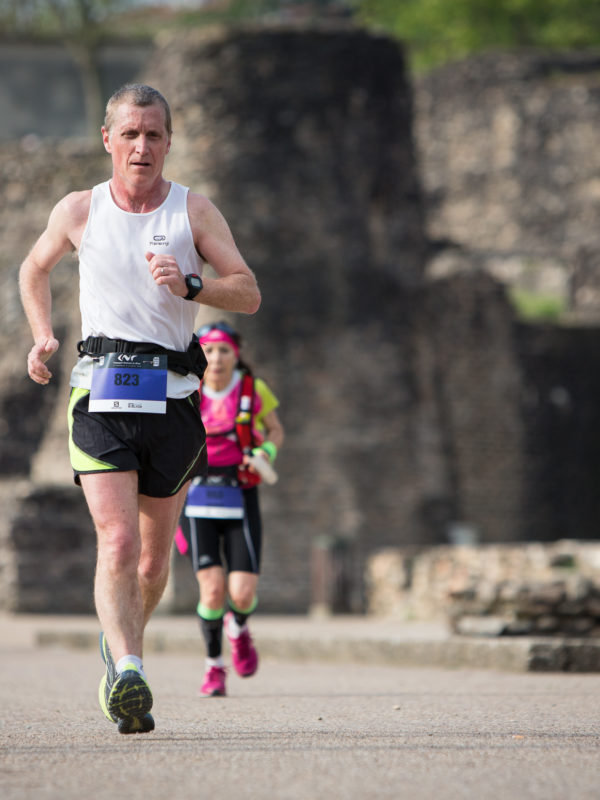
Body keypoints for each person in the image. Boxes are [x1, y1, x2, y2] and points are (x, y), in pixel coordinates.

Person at [19, 84, 261, 734]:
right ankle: (129, 667)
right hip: (99, 394)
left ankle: (119, 648)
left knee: (154, 564)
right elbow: (32, 269)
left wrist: (192, 285)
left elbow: (248, 292)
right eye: (130, 134)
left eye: (154, 135)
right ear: (108, 140)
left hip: (174, 402)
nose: (142, 147)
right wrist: (42, 335)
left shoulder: (194, 212)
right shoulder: (79, 210)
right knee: (118, 540)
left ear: (169, 142)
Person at [175, 321, 283, 697]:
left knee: (241, 593)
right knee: (212, 590)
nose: (216, 358)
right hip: (197, 494)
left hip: (240, 492)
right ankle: (214, 667)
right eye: (208, 350)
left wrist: (266, 452)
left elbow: (275, 431)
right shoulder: (188, 389)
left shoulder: (254, 390)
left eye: (223, 350)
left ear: (236, 354)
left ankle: (239, 628)